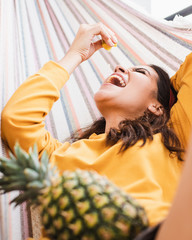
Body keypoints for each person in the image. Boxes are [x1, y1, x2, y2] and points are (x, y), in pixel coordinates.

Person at [1, 22, 192, 239]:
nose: (119, 68)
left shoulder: (174, 138)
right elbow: (16, 119)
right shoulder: (63, 155)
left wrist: (169, 93)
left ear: (156, 107)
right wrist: (76, 54)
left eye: (139, 71)